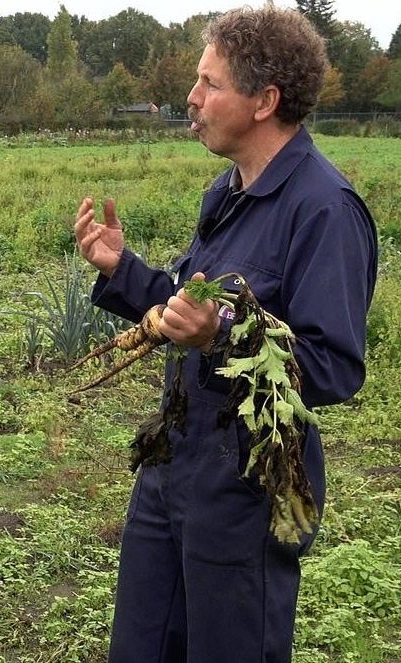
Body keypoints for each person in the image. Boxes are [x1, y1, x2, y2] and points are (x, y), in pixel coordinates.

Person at [73, 7, 376, 663]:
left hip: (246, 482)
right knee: (142, 646)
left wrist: (223, 335)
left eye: (209, 83)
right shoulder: (226, 191)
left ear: (264, 100)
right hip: (173, 463)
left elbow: (331, 368)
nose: (191, 97)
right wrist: (121, 271)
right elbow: (188, 312)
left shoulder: (324, 210)